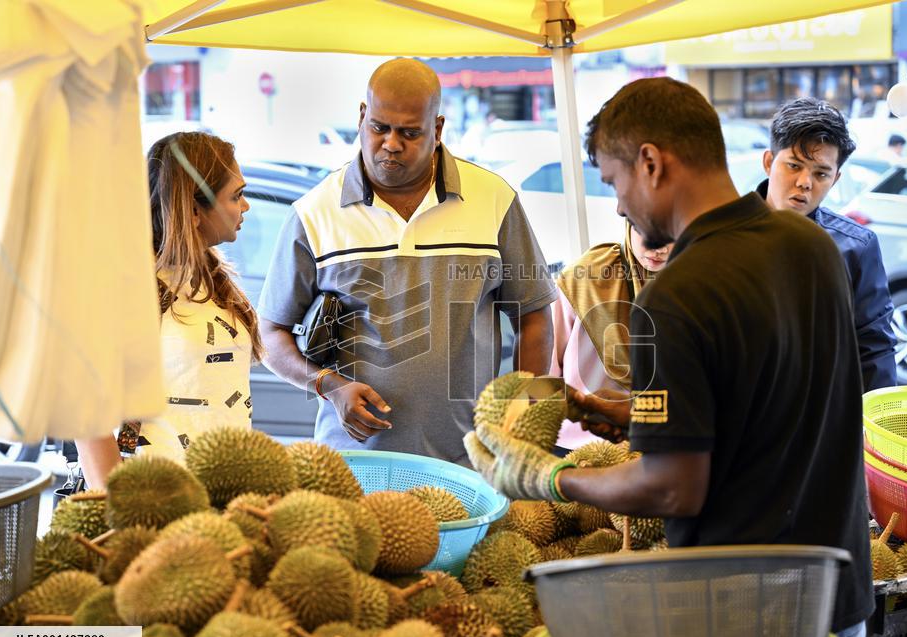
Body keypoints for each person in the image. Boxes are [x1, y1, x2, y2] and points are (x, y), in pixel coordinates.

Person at [464, 77, 873, 637]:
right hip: (835, 603)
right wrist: (635, 416)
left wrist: (547, 479)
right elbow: (764, 404)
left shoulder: (677, 293)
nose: (619, 203)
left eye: (614, 179)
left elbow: (673, 487)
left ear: (651, 163)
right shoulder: (809, 248)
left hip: (741, 620)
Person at [258, 58, 556, 465]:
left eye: (409, 132)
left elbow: (534, 317)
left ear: (437, 130)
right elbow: (269, 334)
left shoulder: (494, 200)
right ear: (362, 116)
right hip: (352, 466)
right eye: (380, 127)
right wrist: (329, 385)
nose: (391, 143)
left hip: (470, 463)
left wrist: (522, 415)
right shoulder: (314, 213)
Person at [75, 131, 260, 487]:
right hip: (157, 497)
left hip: (225, 493)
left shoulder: (208, 278)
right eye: (236, 196)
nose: (246, 206)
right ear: (193, 210)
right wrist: (119, 509)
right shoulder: (129, 284)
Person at [758, 98, 897, 392]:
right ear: (769, 162)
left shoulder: (856, 247)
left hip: (821, 421)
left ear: (835, 179)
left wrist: (870, 427)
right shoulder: (722, 233)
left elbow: (874, 347)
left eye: (821, 173)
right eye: (793, 166)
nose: (805, 182)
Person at [549, 222, 673, 451]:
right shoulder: (583, 279)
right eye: (649, 232)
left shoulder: (692, 288)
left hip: (654, 446)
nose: (660, 249)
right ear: (629, 220)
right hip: (574, 444)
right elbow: (547, 369)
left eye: (672, 235)